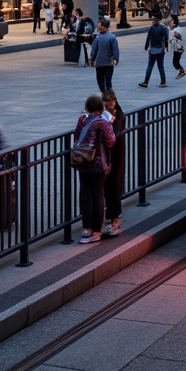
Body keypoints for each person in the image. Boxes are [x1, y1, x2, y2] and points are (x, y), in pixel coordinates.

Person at [74, 94, 116, 244]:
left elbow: (77, 137)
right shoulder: (102, 123)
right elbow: (111, 141)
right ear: (101, 108)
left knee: (84, 194)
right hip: (98, 163)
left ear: (87, 107)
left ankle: (86, 228)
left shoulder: (82, 120)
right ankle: (97, 231)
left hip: (83, 162)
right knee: (98, 196)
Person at [101, 89, 126, 237]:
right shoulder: (117, 115)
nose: (110, 105)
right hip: (112, 157)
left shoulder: (116, 117)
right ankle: (113, 217)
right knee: (111, 186)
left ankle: (114, 218)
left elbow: (113, 138)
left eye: (111, 102)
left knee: (113, 186)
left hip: (113, 157)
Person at [138, 13, 169, 89]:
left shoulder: (152, 28)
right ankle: (163, 82)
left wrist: (146, 47)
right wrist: (166, 46)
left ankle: (146, 82)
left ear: (155, 20)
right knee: (160, 66)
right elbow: (166, 38)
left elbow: (148, 38)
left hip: (152, 50)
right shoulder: (164, 28)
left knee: (150, 66)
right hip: (160, 50)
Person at [89, 17, 120, 91]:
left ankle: (105, 93)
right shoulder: (111, 37)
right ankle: (108, 93)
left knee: (101, 81)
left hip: (102, 63)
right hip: (107, 63)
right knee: (107, 80)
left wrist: (91, 59)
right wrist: (116, 59)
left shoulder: (98, 38)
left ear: (104, 27)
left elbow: (94, 50)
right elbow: (115, 50)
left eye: (99, 25)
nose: (98, 26)